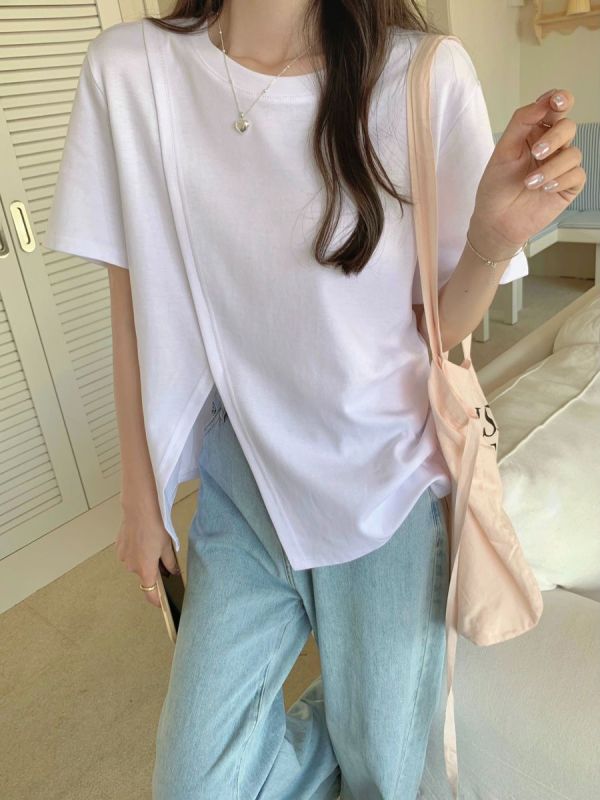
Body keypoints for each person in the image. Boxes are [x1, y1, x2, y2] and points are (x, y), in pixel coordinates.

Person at [41, 1, 584, 797]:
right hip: (244, 477)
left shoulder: (424, 74)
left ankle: (376, 696)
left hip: (388, 485)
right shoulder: (130, 71)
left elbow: (439, 328)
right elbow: (133, 302)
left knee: (379, 774)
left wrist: (492, 241)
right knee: (196, 783)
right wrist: (139, 496)